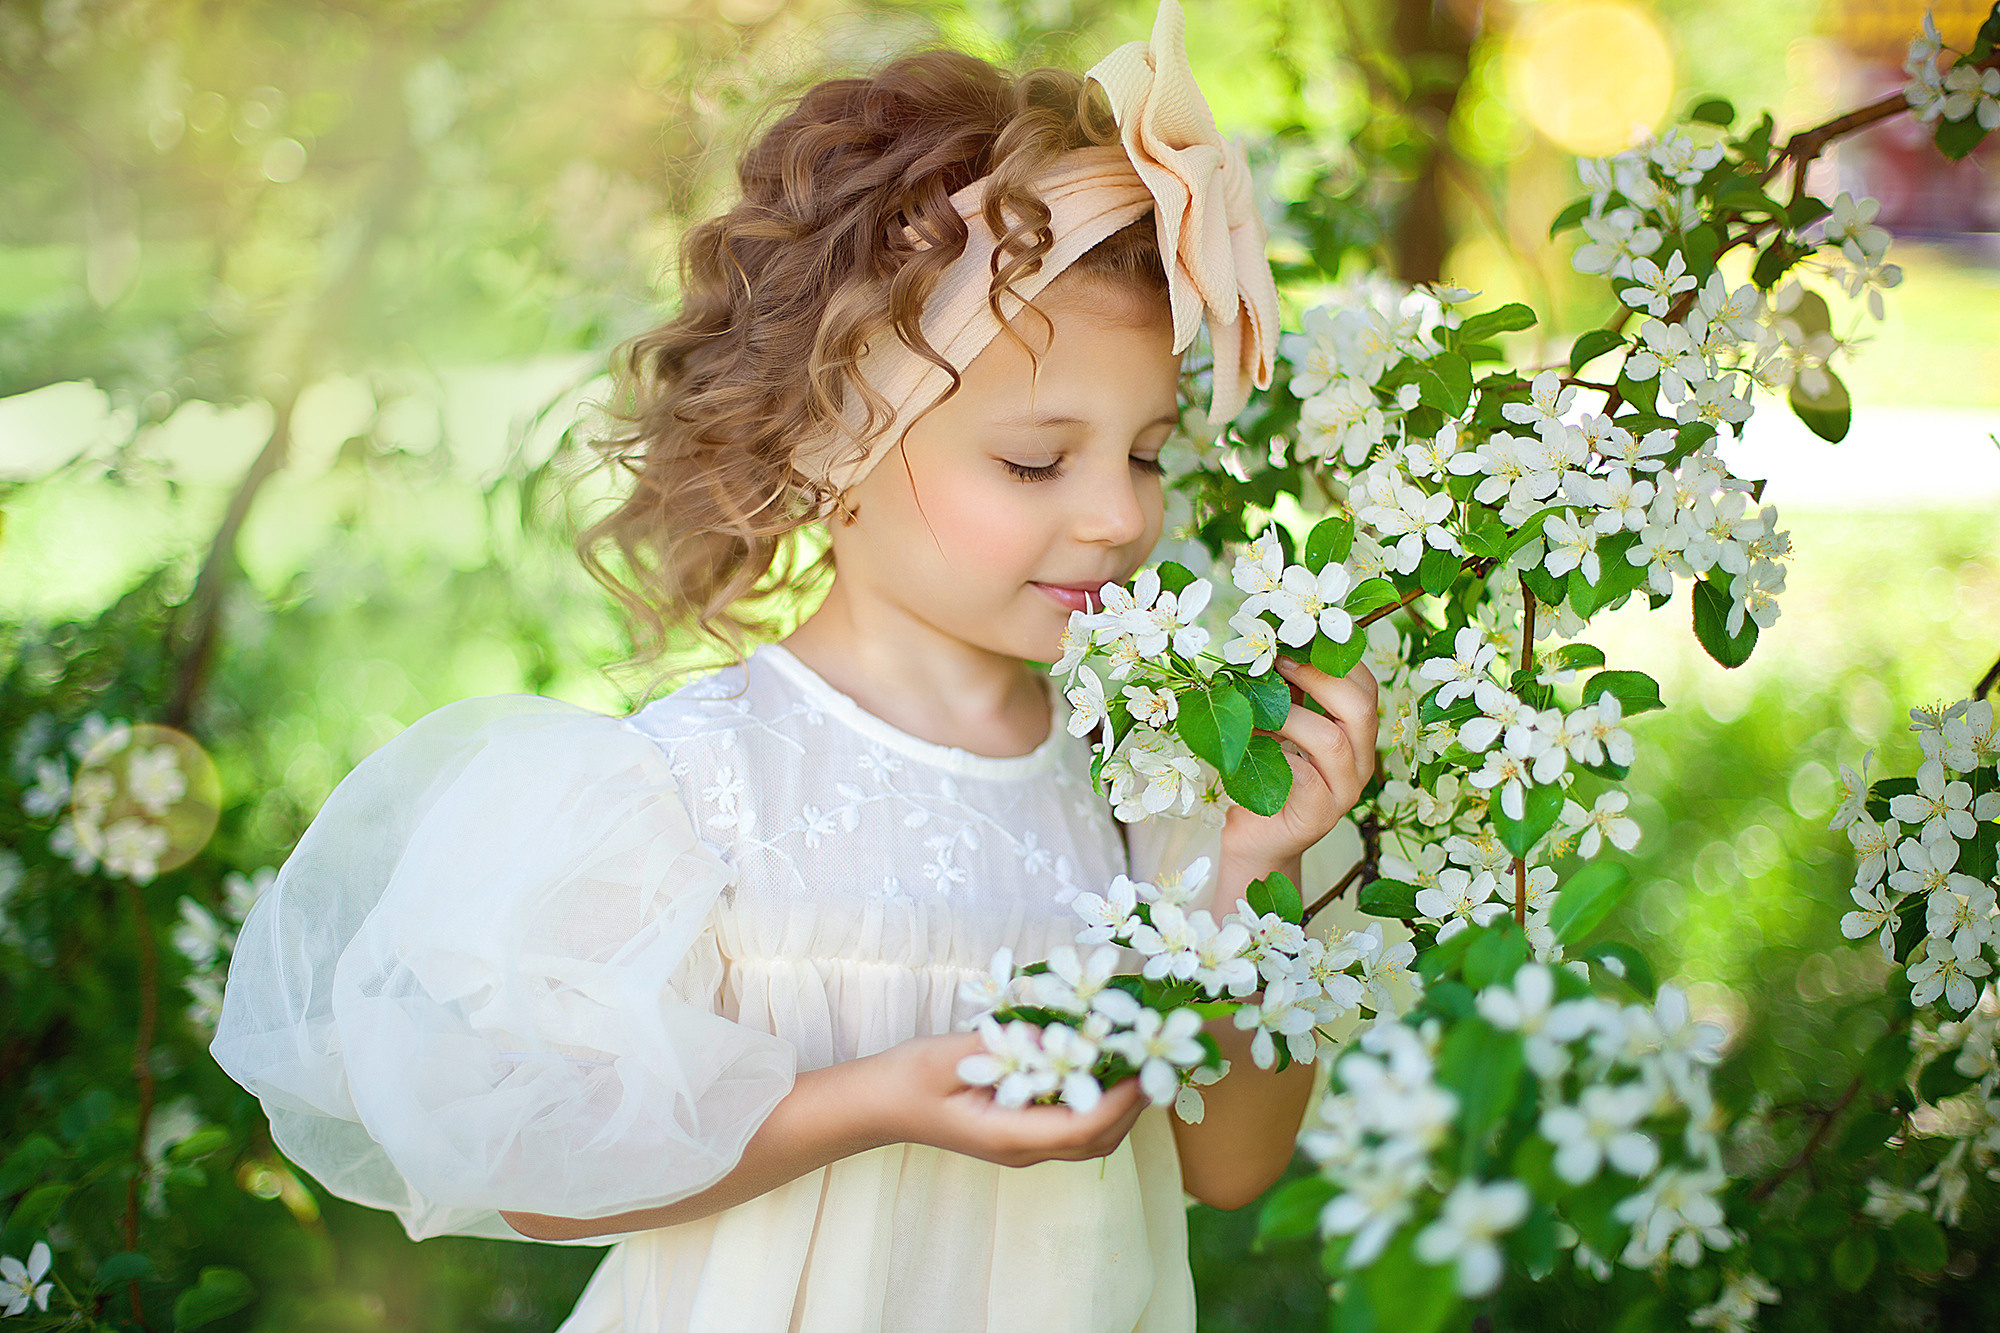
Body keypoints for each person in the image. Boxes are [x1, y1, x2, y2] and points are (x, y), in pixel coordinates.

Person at [208, 2, 1379, 1329]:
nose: (1119, 514)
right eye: (1036, 461)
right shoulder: (698, 789)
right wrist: (866, 1101)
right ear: (835, 443)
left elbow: (1231, 1166)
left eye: (1148, 453)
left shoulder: (1147, 777)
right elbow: (542, 1172)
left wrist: (1254, 867)